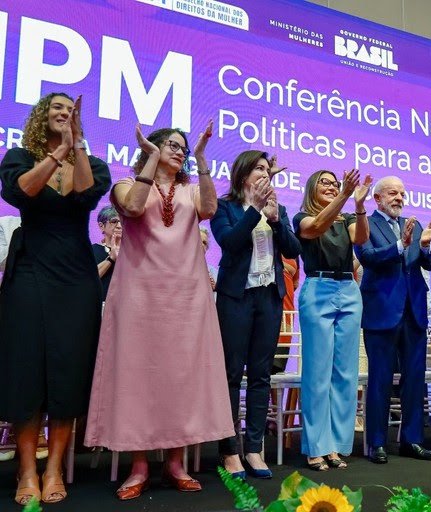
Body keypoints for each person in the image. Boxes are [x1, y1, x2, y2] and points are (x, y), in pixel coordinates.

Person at [84, 121, 233, 499]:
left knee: (179, 376)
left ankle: (175, 464)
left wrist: (201, 160)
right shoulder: (126, 185)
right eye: (172, 144)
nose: (179, 149)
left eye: (183, 146)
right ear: (150, 147)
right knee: (140, 376)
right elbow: (133, 208)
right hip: (139, 295)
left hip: (186, 296)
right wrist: (150, 159)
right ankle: (138, 467)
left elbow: (211, 210)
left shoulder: (190, 189)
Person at [0, 93, 110, 505]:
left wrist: (75, 146)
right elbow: (21, 192)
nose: (64, 114)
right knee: (28, 370)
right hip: (29, 270)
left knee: (67, 372)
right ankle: (26, 470)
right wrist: (56, 152)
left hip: (75, 278)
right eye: (57, 108)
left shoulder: (91, 164)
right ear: (41, 116)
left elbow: (85, 195)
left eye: (71, 110)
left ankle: (54, 468)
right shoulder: (19, 156)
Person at [210, 150, 301, 479]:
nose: (265, 173)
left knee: (262, 375)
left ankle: (254, 448)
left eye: (268, 168)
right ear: (243, 175)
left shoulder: (279, 209)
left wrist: (276, 221)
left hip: (269, 298)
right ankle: (229, 450)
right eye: (258, 168)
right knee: (232, 373)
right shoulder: (225, 207)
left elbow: (293, 249)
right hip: (236, 298)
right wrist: (255, 210)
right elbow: (230, 243)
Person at [354, 176, 431, 464]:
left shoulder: (412, 226)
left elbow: (427, 264)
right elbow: (367, 256)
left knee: (414, 380)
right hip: (382, 311)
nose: (399, 198)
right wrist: (401, 246)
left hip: (413, 311)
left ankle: (412, 440)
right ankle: (377, 442)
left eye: (403, 193)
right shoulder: (367, 224)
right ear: (377, 198)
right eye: (393, 193)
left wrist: (426, 246)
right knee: (380, 379)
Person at [293, 169, 371, 471]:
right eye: (324, 182)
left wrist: (360, 206)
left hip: (349, 290)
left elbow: (361, 239)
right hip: (318, 288)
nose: (332, 186)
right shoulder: (301, 216)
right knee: (317, 371)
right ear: (312, 187)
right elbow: (314, 229)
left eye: (335, 183)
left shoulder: (347, 218)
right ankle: (316, 445)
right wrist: (344, 195)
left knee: (346, 372)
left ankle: (336, 445)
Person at [92, 206, 121, 300]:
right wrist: (111, 259)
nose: (119, 226)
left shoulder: (132, 251)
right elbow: (87, 279)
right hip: (101, 305)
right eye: (114, 221)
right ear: (101, 226)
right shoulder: (92, 250)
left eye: (123, 221)